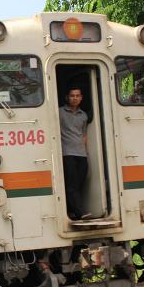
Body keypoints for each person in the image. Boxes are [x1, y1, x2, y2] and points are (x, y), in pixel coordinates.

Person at [59, 87, 95, 221]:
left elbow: (84, 134)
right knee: (72, 183)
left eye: (77, 96)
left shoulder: (83, 115)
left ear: (81, 98)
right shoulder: (60, 113)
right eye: (72, 95)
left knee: (80, 183)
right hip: (67, 153)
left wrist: (84, 150)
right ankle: (80, 212)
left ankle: (72, 209)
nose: (75, 98)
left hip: (81, 154)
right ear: (67, 97)